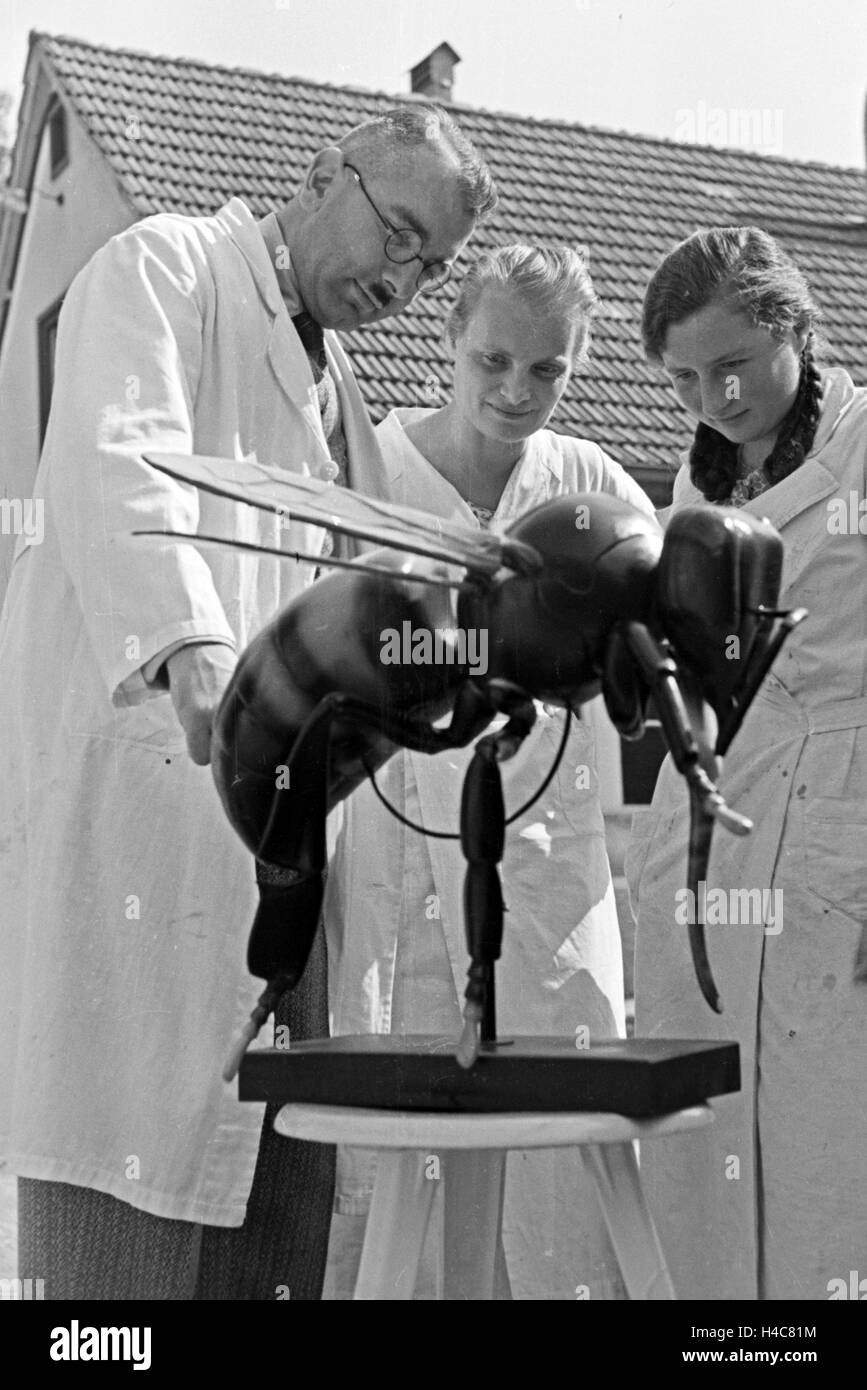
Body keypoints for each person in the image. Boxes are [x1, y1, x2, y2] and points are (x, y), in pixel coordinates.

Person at [0, 104, 495, 1300]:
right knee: (123, 1254)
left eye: (429, 265)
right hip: (154, 847)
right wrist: (193, 657)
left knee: (275, 1226)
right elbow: (121, 461)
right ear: (324, 171)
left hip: (294, 885)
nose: (403, 275)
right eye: (396, 230)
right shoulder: (168, 269)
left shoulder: (347, 414)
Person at [323, 244, 659, 1300]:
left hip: (546, 860)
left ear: (579, 366)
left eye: (548, 371)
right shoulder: (364, 470)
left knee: (568, 1157)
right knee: (402, 1163)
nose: (517, 391)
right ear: (448, 342)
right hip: (398, 855)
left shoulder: (593, 488)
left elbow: (641, 667)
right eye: (494, 359)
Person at [627, 225, 867, 1301]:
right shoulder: (698, 477)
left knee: (833, 1162)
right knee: (707, 1164)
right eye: (684, 378)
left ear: (797, 330)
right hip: (725, 827)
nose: (712, 397)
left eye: (732, 365)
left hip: (845, 825)